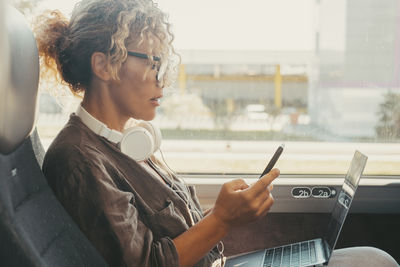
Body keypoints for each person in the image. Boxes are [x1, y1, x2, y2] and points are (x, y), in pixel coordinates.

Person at [34, 0, 398, 266]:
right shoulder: (79, 160)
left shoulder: (128, 142)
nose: (163, 78)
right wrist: (223, 219)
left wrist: (227, 211)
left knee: (373, 259)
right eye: (152, 62)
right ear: (104, 65)